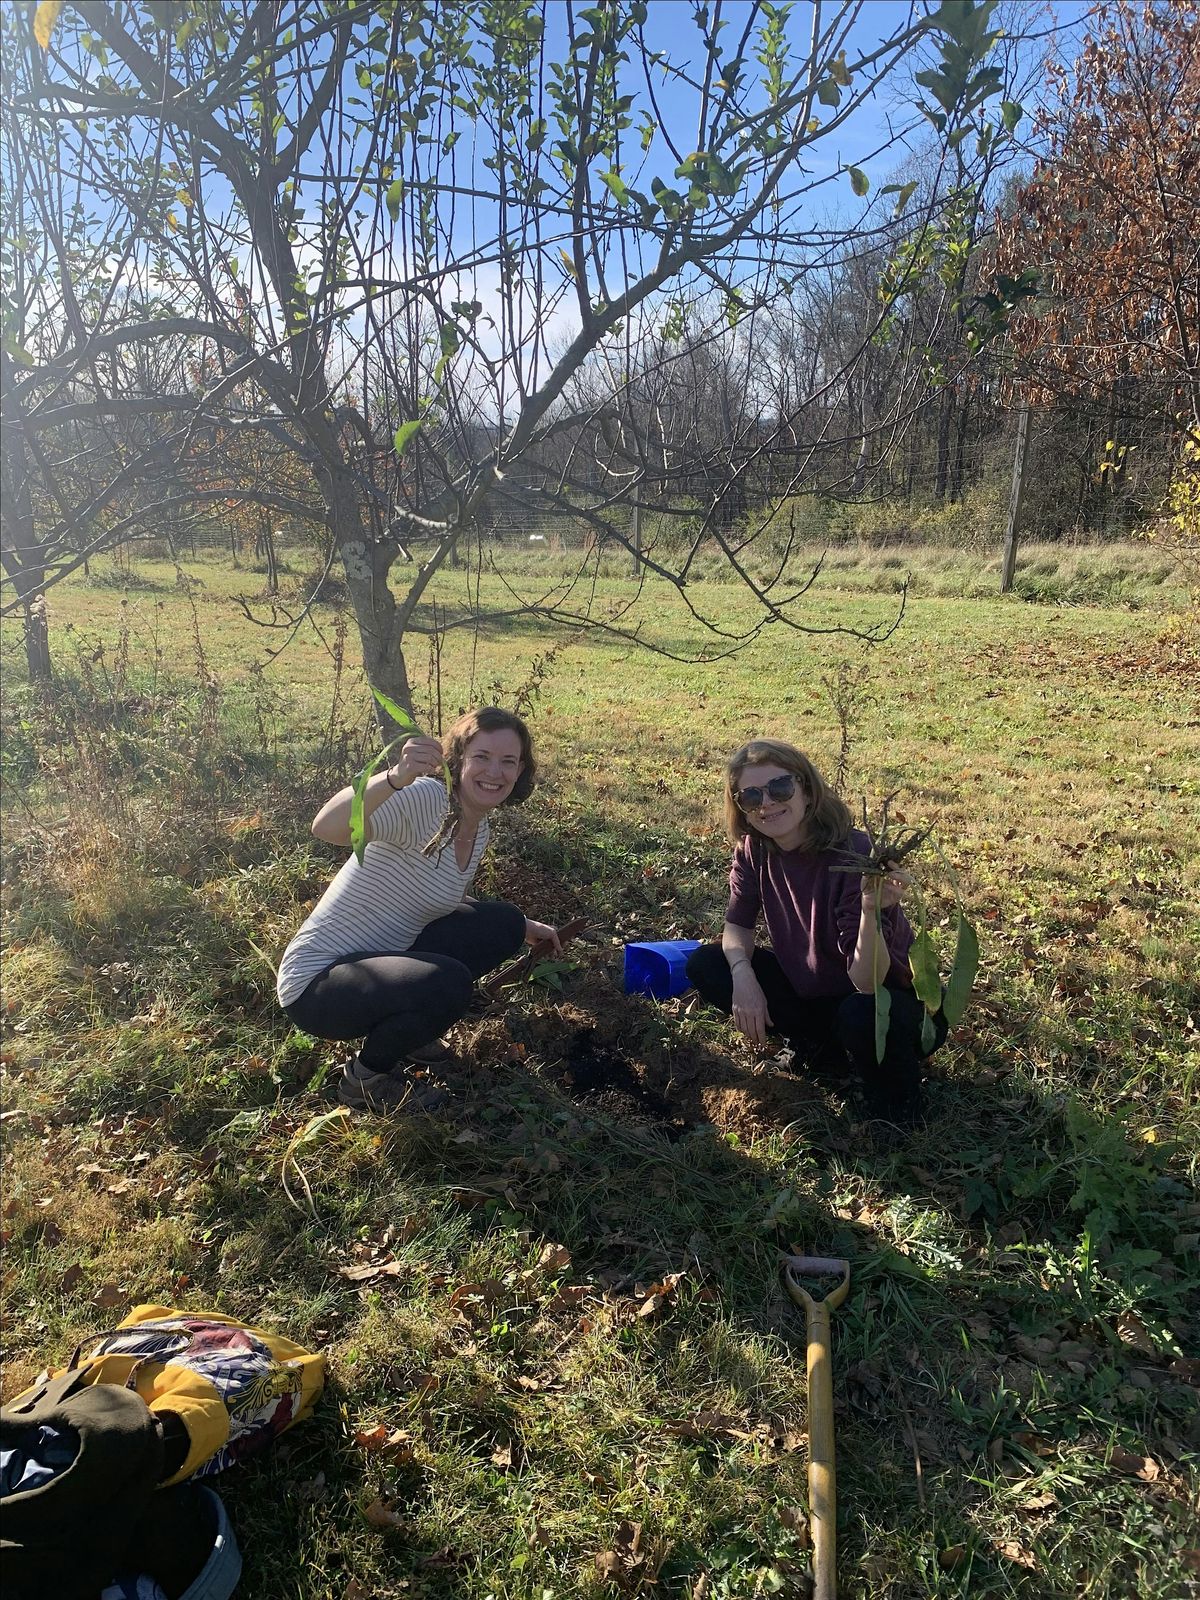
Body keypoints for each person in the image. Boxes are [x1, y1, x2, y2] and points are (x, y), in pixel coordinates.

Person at [277, 706, 560, 1112]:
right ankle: (366, 1079)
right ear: (459, 759)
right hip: (319, 984)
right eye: (482, 757)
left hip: (381, 962)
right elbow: (327, 825)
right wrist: (394, 778)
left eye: (508, 761)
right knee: (450, 983)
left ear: (520, 772)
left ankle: (409, 1027)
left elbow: (447, 897)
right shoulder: (426, 799)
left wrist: (524, 926)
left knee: (504, 923)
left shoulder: (479, 827)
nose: (494, 772)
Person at [686, 739, 946, 1122]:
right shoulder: (754, 850)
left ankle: (896, 1105)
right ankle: (820, 1051)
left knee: (859, 1012)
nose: (767, 803)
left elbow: (868, 982)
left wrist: (871, 910)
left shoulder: (855, 856)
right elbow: (737, 924)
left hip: (891, 1004)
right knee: (709, 963)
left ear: (806, 789)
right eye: (751, 795)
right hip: (819, 996)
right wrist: (743, 976)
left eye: (779, 788)